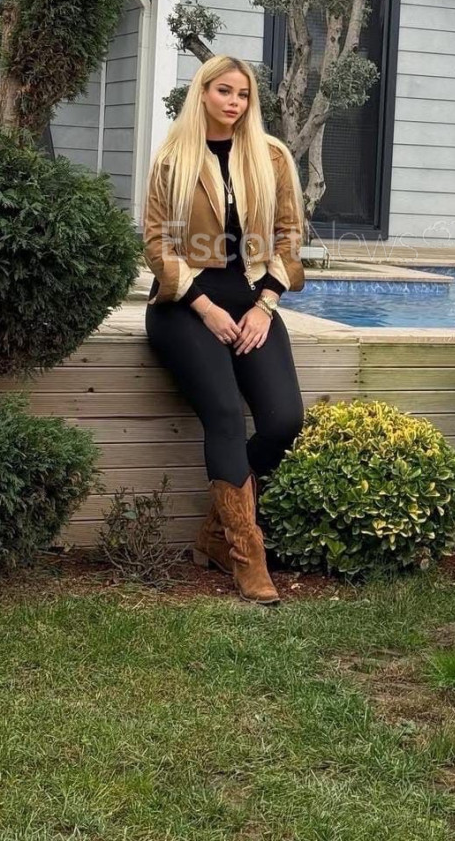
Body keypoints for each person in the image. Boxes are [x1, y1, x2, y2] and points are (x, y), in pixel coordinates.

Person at [142, 54, 307, 607]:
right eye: (224, 91)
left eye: (243, 94)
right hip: (184, 304)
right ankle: (246, 554)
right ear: (204, 92)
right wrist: (204, 307)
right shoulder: (173, 158)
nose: (234, 102)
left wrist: (265, 306)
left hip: (253, 300)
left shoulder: (271, 156)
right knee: (225, 416)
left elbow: (288, 238)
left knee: (284, 420)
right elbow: (157, 245)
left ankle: (215, 532)